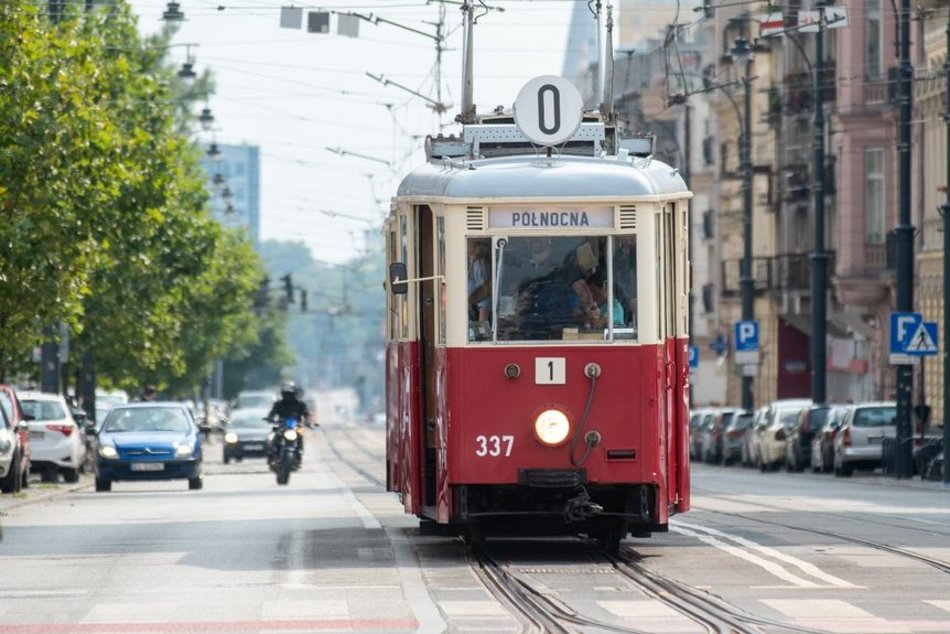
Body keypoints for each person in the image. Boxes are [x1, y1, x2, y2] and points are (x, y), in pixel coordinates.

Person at [266, 381, 311, 465]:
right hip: (282, 426)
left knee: (300, 436)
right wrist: (270, 418)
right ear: (282, 394)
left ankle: (299, 453)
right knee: (274, 437)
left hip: (295, 426)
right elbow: (273, 412)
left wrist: (308, 422)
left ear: (294, 393)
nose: (288, 396)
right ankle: (272, 455)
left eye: (290, 394)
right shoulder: (278, 404)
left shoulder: (300, 404)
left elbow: (306, 413)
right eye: (286, 394)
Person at [467, 239, 491, 322]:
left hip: (477, 316)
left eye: (468, 242)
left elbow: (485, 291)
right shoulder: (470, 263)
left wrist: (481, 323)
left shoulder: (479, 264)